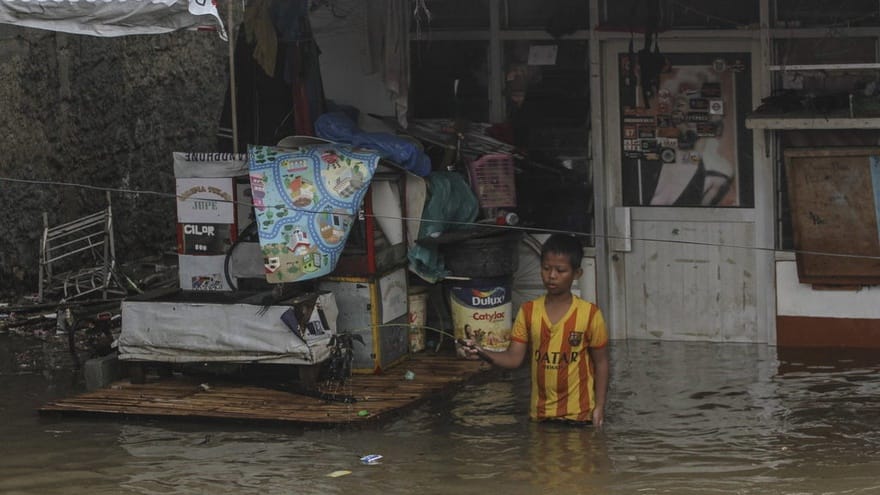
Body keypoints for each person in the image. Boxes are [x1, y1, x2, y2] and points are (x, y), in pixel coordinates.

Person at [463, 233, 609, 427]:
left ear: (577, 274)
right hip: (540, 416)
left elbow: (601, 363)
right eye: (546, 268)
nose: (552, 276)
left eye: (561, 270)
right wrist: (482, 352)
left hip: (580, 417)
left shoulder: (590, 314)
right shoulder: (528, 311)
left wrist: (599, 406)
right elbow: (514, 359)